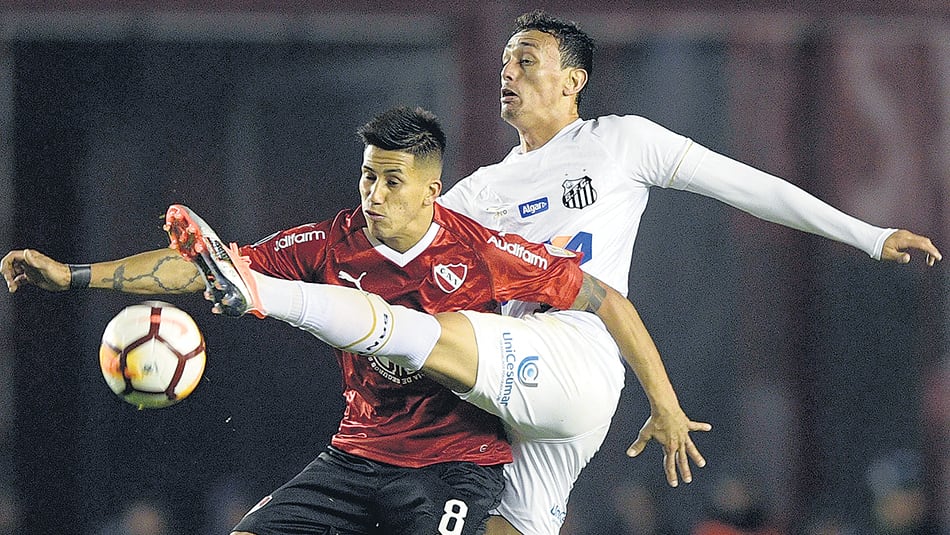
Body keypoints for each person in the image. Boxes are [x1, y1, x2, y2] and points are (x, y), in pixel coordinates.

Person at [2, 107, 707, 535]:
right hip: (358, 453)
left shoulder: (482, 252)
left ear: (431, 189)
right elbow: (208, 264)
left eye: (391, 180)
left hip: (453, 468)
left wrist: (666, 404)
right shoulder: (332, 241)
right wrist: (73, 274)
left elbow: (605, 300)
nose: (372, 193)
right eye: (367, 175)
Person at [429, 10, 940, 532]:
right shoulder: (480, 191)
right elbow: (400, 255)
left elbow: (752, 187)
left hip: (576, 355)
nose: (507, 73)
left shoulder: (619, 142)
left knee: (419, 347)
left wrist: (869, 235)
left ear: (573, 81)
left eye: (526, 60)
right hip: (524, 383)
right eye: (504, 61)